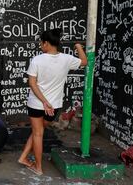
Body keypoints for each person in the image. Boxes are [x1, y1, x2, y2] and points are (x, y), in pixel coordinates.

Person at [18, 28, 87, 175]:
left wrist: (43, 102)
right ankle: (24, 158)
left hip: (37, 104)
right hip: (54, 106)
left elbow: (32, 83)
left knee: (37, 133)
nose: (40, 46)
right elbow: (84, 62)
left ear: (47, 43)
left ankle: (38, 168)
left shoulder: (37, 60)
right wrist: (79, 47)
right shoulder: (67, 59)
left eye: (41, 43)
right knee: (39, 132)